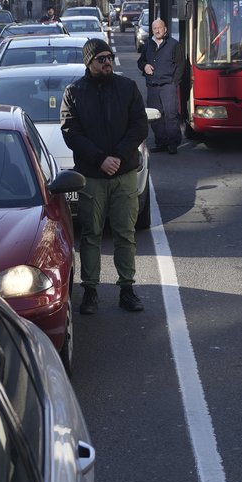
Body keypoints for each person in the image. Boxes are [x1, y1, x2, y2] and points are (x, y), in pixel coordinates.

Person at [60, 38, 150, 316]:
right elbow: (71, 132)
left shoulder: (127, 87)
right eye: (101, 58)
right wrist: (100, 159)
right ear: (89, 63)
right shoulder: (74, 92)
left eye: (109, 57)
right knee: (91, 234)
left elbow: (139, 126)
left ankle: (127, 289)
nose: (108, 62)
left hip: (123, 174)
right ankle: (90, 291)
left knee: (125, 232)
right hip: (92, 176)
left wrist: (118, 157)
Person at [137, 16, 184, 154]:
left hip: (168, 85)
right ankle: (161, 143)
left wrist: (174, 82)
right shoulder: (148, 44)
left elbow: (180, 65)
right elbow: (141, 62)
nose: (157, 31)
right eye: (155, 28)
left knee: (171, 115)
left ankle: (173, 144)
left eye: (159, 28)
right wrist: (144, 66)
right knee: (156, 116)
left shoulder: (174, 44)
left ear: (165, 29)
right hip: (152, 86)